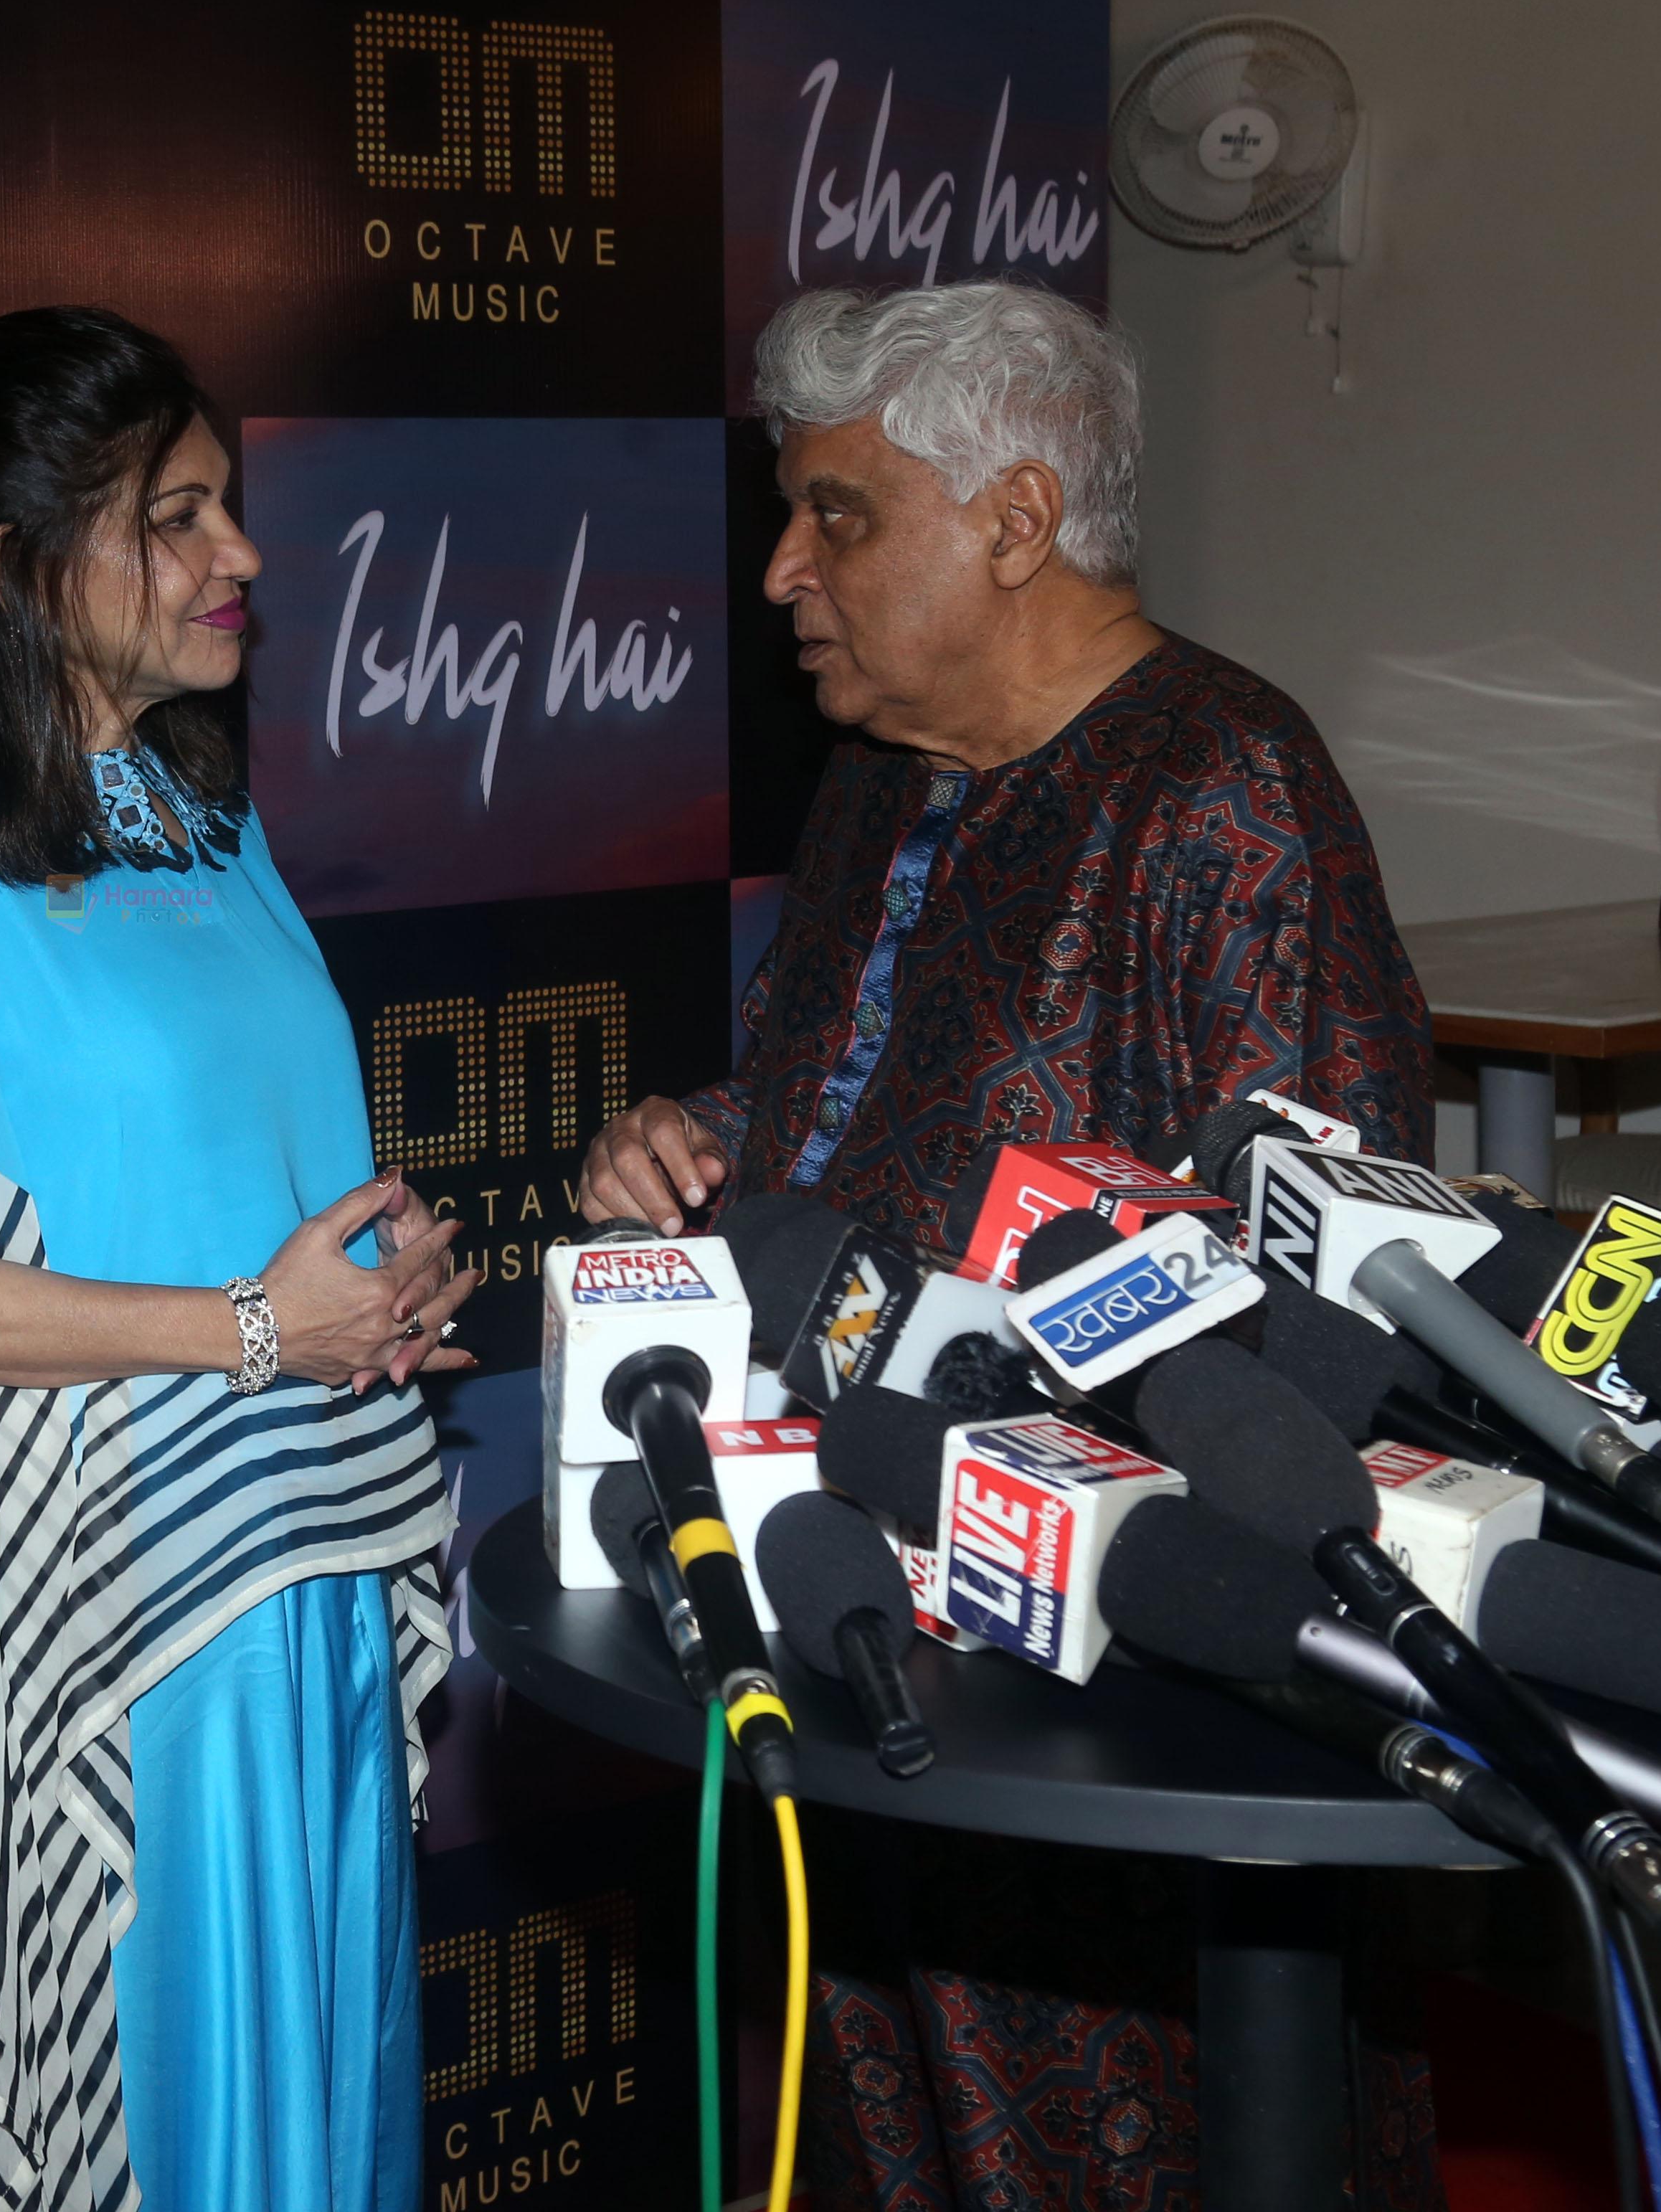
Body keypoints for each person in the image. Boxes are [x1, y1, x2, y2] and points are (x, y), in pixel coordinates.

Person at [581, 280, 1441, 2210]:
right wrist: (698, 1143)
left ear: (1018, 519)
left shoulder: (1228, 790)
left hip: (1093, 1694)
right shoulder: (881, 773)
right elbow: (873, 1095)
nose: (785, 569)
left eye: (838, 515)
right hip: (839, 1606)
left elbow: (1304, 1277)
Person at [0, 309, 471, 2212]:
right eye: (173, 519)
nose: (238, 556)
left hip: (294, 1597)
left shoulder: (204, 812)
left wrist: (375, 1286)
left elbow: (231, 1175)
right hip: (116, 1657)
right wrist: (254, 1324)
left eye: (225, 507)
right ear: (16, 564)